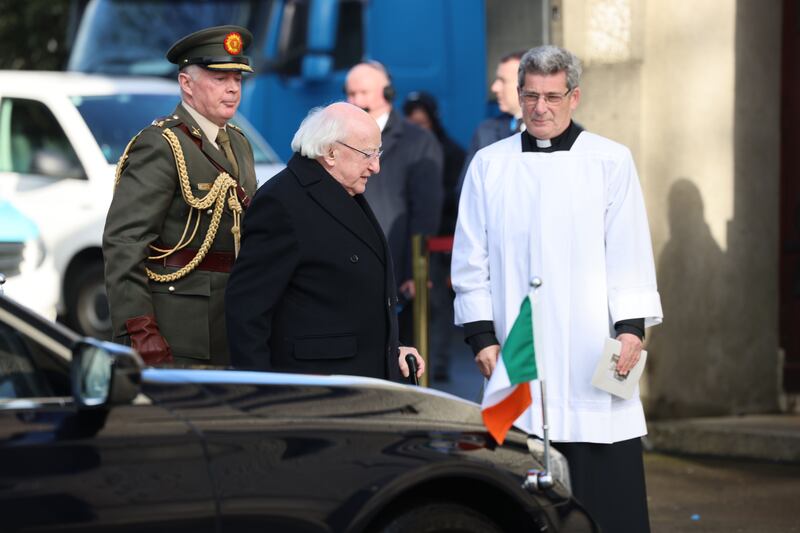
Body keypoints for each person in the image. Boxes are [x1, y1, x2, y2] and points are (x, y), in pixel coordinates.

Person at [451, 45, 663, 532]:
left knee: (603, 482)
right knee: (522, 478)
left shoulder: (610, 160)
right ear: (518, 97)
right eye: (530, 96)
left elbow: (628, 248)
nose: (540, 107)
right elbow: (470, 258)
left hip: (592, 343)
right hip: (516, 341)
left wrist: (631, 328)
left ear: (574, 97)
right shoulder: (490, 165)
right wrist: (481, 337)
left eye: (552, 96)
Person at [225, 102, 425, 382]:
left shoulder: (342, 191)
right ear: (331, 153)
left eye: (377, 153)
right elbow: (247, 310)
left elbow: (350, 299)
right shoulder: (282, 202)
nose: (376, 167)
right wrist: (262, 394)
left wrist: (394, 347)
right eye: (368, 154)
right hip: (316, 389)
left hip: (359, 381)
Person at [103, 25, 258, 366]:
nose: (233, 88)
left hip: (231, 325)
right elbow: (125, 243)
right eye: (220, 79)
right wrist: (139, 329)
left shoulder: (239, 143)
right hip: (181, 330)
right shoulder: (162, 144)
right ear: (187, 84)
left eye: (238, 78)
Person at [345, 62, 444, 344]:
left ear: (387, 92)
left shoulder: (418, 142)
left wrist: (416, 270)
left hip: (397, 265)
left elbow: (426, 210)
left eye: (363, 92)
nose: (356, 101)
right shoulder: (337, 137)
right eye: (351, 93)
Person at [402, 91, 465, 380]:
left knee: (437, 305)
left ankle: (436, 364)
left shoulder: (450, 152)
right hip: (410, 239)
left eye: (422, 124)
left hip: (438, 243)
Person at [457, 50, 526, 192]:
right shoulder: (486, 131)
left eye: (503, 80)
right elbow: (467, 190)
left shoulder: (565, 132)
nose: (494, 87)